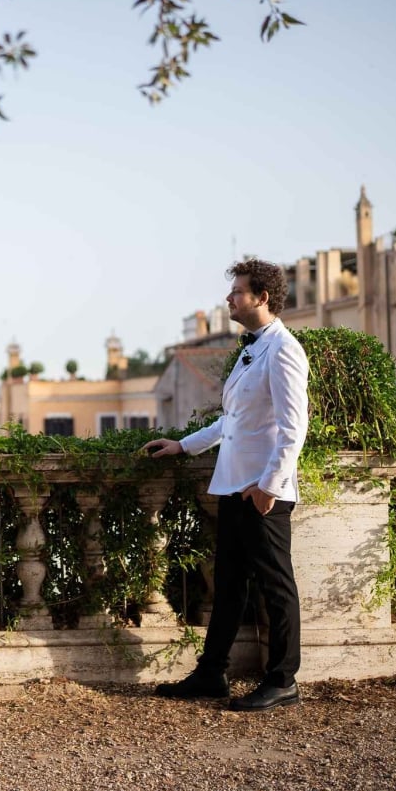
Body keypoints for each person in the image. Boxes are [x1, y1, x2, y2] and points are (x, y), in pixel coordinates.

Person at [144, 258, 309, 711]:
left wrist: (268, 486)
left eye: (237, 291)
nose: (229, 298)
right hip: (234, 485)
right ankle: (211, 673)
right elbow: (232, 421)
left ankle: (283, 680)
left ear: (262, 298)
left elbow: (295, 428)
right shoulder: (252, 349)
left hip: (262, 493)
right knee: (230, 585)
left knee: (276, 587)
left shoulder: (284, 350)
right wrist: (183, 445)